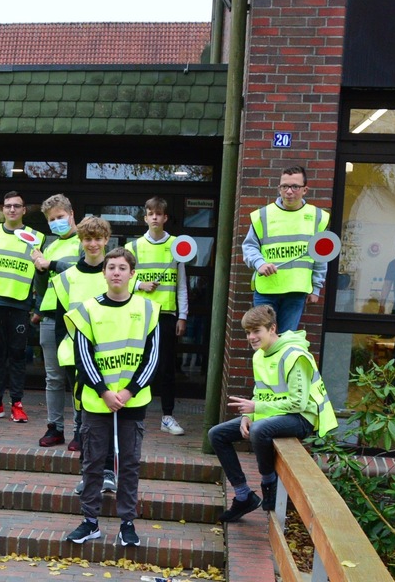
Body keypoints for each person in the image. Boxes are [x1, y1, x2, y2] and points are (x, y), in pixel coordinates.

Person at [64, 247, 160, 548]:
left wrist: (129, 391)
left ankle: (127, 523)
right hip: (97, 400)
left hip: (133, 401)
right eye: (111, 267)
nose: (116, 272)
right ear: (104, 273)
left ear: (132, 274)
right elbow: (83, 356)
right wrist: (104, 391)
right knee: (92, 462)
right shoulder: (86, 310)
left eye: (122, 268)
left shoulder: (148, 309)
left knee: (129, 463)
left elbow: (153, 357)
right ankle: (90, 521)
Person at [210, 305, 339, 523]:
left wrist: (257, 410)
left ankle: (269, 484)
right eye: (248, 332)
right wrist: (248, 416)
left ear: (272, 329)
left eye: (256, 331)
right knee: (216, 434)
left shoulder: (295, 355)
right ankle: (243, 496)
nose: (251, 337)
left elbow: (298, 403)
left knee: (260, 430)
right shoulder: (259, 356)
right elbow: (260, 392)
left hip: (301, 418)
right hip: (273, 415)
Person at [0, 191, 43, 425]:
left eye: (17, 206)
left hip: (20, 306)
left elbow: (40, 273)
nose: (12, 210)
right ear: (2, 209)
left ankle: (17, 403)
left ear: (24, 210)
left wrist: (37, 306)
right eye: (8, 206)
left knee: (16, 357)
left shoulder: (36, 237)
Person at [126, 197, 189, 436]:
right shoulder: (133, 248)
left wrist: (182, 315)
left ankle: (167, 416)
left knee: (166, 368)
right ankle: (133, 413)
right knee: (137, 364)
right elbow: (122, 278)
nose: (154, 217)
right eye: (150, 213)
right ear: (145, 217)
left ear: (165, 218)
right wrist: (140, 284)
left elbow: (181, 284)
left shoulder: (176, 246)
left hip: (167, 315)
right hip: (139, 315)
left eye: (159, 214)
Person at [241, 165, 329, 332]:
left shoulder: (317, 217)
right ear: (279, 188)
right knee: (263, 342)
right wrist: (260, 263)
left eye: (295, 186)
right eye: (284, 186)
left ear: (305, 190)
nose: (289, 191)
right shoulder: (263, 215)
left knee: (286, 342)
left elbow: (321, 255)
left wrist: (316, 287)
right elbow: (249, 246)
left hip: (296, 291)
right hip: (266, 289)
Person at [51, 216, 112, 455]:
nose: (93, 244)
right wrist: (61, 346)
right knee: (79, 395)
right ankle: (79, 432)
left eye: (98, 238)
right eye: (88, 239)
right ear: (81, 240)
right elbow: (60, 319)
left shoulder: (115, 274)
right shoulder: (67, 277)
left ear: (106, 240)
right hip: (73, 348)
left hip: (108, 349)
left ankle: (96, 437)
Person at [30, 194, 83, 447]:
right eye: (51, 220)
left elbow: (84, 272)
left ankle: (82, 428)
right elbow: (42, 287)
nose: (56, 223)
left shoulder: (86, 242)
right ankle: (55, 428)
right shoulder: (50, 246)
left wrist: (50, 264)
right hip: (51, 316)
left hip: (76, 317)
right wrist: (39, 268)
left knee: (78, 376)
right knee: (53, 377)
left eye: (60, 217)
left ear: (72, 214)